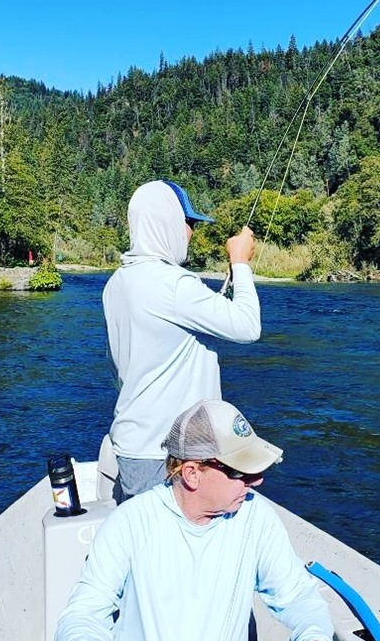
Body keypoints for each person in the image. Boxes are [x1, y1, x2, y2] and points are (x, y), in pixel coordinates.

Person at [55, 399, 351, 641]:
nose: (256, 482)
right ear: (192, 473)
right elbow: (84, 616)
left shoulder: (256, 517)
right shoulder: (129, 522)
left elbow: (297, 597)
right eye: (241, 472)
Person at [103, 180, 261, 502]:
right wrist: (241, 262)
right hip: (166, 454)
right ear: (167, 223)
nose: (191, 233)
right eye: (188, 223)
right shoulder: (174, 285)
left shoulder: (116, 283)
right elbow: (248, 326)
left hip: (132, 446)